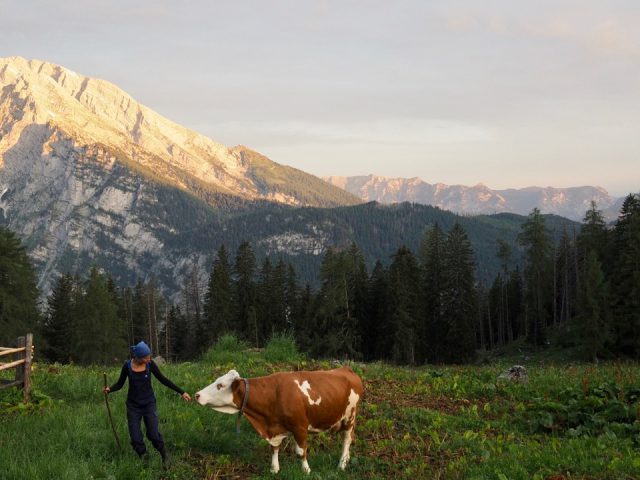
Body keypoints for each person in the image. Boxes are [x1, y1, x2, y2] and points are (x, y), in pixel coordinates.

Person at [103, 341, 191, 467]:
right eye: (146, 357)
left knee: (153, 435)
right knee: (135, 438)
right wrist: (109, 389)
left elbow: (163, 379)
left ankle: (165, 455)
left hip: (149, 404)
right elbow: (120, 384)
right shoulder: (127, 366)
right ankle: (144, 456)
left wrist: (181, 392)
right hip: (133, 406)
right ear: (138, 357)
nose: (149, 359)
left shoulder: (150, 365)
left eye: (149, 357)